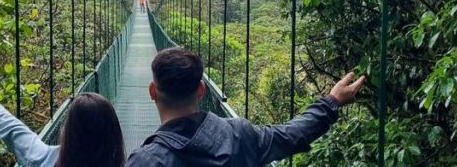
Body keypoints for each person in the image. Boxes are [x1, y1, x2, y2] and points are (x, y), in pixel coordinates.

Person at [125, 48, 365, 167]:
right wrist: (332, 100)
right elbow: (292, 135)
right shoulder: (240, 135)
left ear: (152, 92)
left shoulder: (144, 161)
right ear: (201, 90)